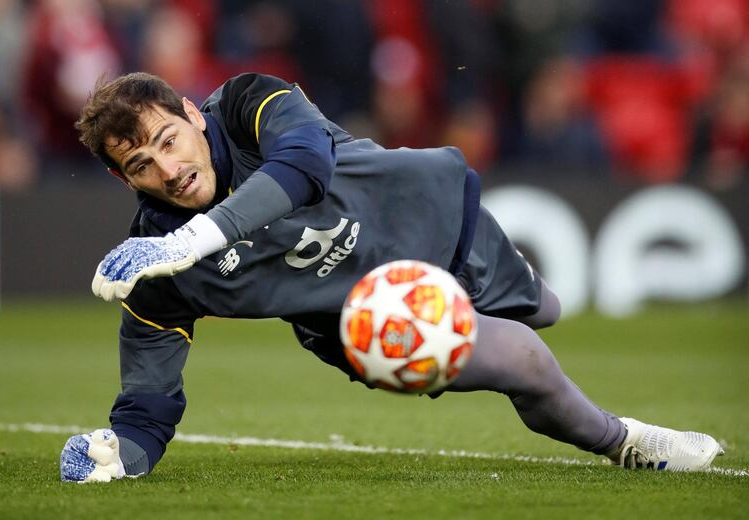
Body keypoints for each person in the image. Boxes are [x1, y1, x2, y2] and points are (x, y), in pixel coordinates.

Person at [60, 72, 723, 482]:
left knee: (543, 309)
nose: (169, 168)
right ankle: (627, 442)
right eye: (143, 164)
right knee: (526, 359)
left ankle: (529, 320)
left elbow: (304, 165)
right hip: (369, 318)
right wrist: (125, 451)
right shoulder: (152, 262)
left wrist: (198, 236)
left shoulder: (245, 102)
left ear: (191, 113)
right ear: (124, 179)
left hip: (426, 218)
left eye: (169, 139)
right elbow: (150, 395)